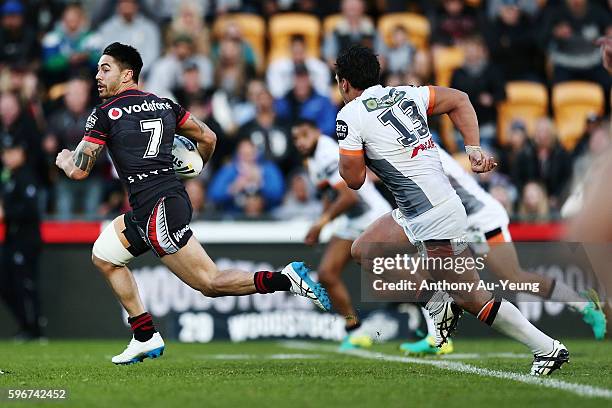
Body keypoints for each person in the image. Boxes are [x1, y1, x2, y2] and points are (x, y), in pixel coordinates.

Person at [54, 43, 330, 364]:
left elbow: (79, 171)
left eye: (105, 69)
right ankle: (144, 335)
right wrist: (194, 167)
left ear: (127, 74)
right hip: (159, 203)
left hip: (157, 211)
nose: (97, 76)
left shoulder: (104, 114)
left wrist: (64, 160)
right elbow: (209, 138)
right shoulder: (164, 105)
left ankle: (286, 279)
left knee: (210, 283)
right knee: (105, 256)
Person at [335, 45, 568, 376]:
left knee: (474, 298)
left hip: (434, 214)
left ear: (344, 84)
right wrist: (472, 150)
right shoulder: (407, 93)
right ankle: (435, 301)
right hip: (419, 209)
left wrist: (346, 157)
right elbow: (459, 99)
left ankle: (546, 348)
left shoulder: (349, 115)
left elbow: (355, 179)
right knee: (365, 249)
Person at [400, 145, 607, 355]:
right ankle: (436, 337)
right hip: (455, 221)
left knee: (513, 277)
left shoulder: (421, 150)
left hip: (480, 219)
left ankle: (583, 304)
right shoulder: (410, 145)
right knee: (420, 266)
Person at [292, 119, 391, 350]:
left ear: (317, 131)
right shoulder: (312, 159)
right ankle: (354, 329)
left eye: (304, 135)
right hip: (353, 221)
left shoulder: (327, 152)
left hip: (373, 219)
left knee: (394, 277)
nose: (299, 142)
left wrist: (321, 223)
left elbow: (349, 197)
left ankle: (435, 316)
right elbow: (330, 195)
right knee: (327, 274)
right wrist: (322, 222)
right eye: (295, 138)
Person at [0, 134, 43, 340]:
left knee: (26, 284)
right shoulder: (8, 176)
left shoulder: (27, 176)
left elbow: (31, 210)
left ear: (22, 153)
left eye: (12, 152)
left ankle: (34, 328)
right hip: (11, 239)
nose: (8, 156)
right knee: (7, 284)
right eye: (5, 152)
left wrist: (6, 213)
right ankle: (25, 324)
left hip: (26, 240)